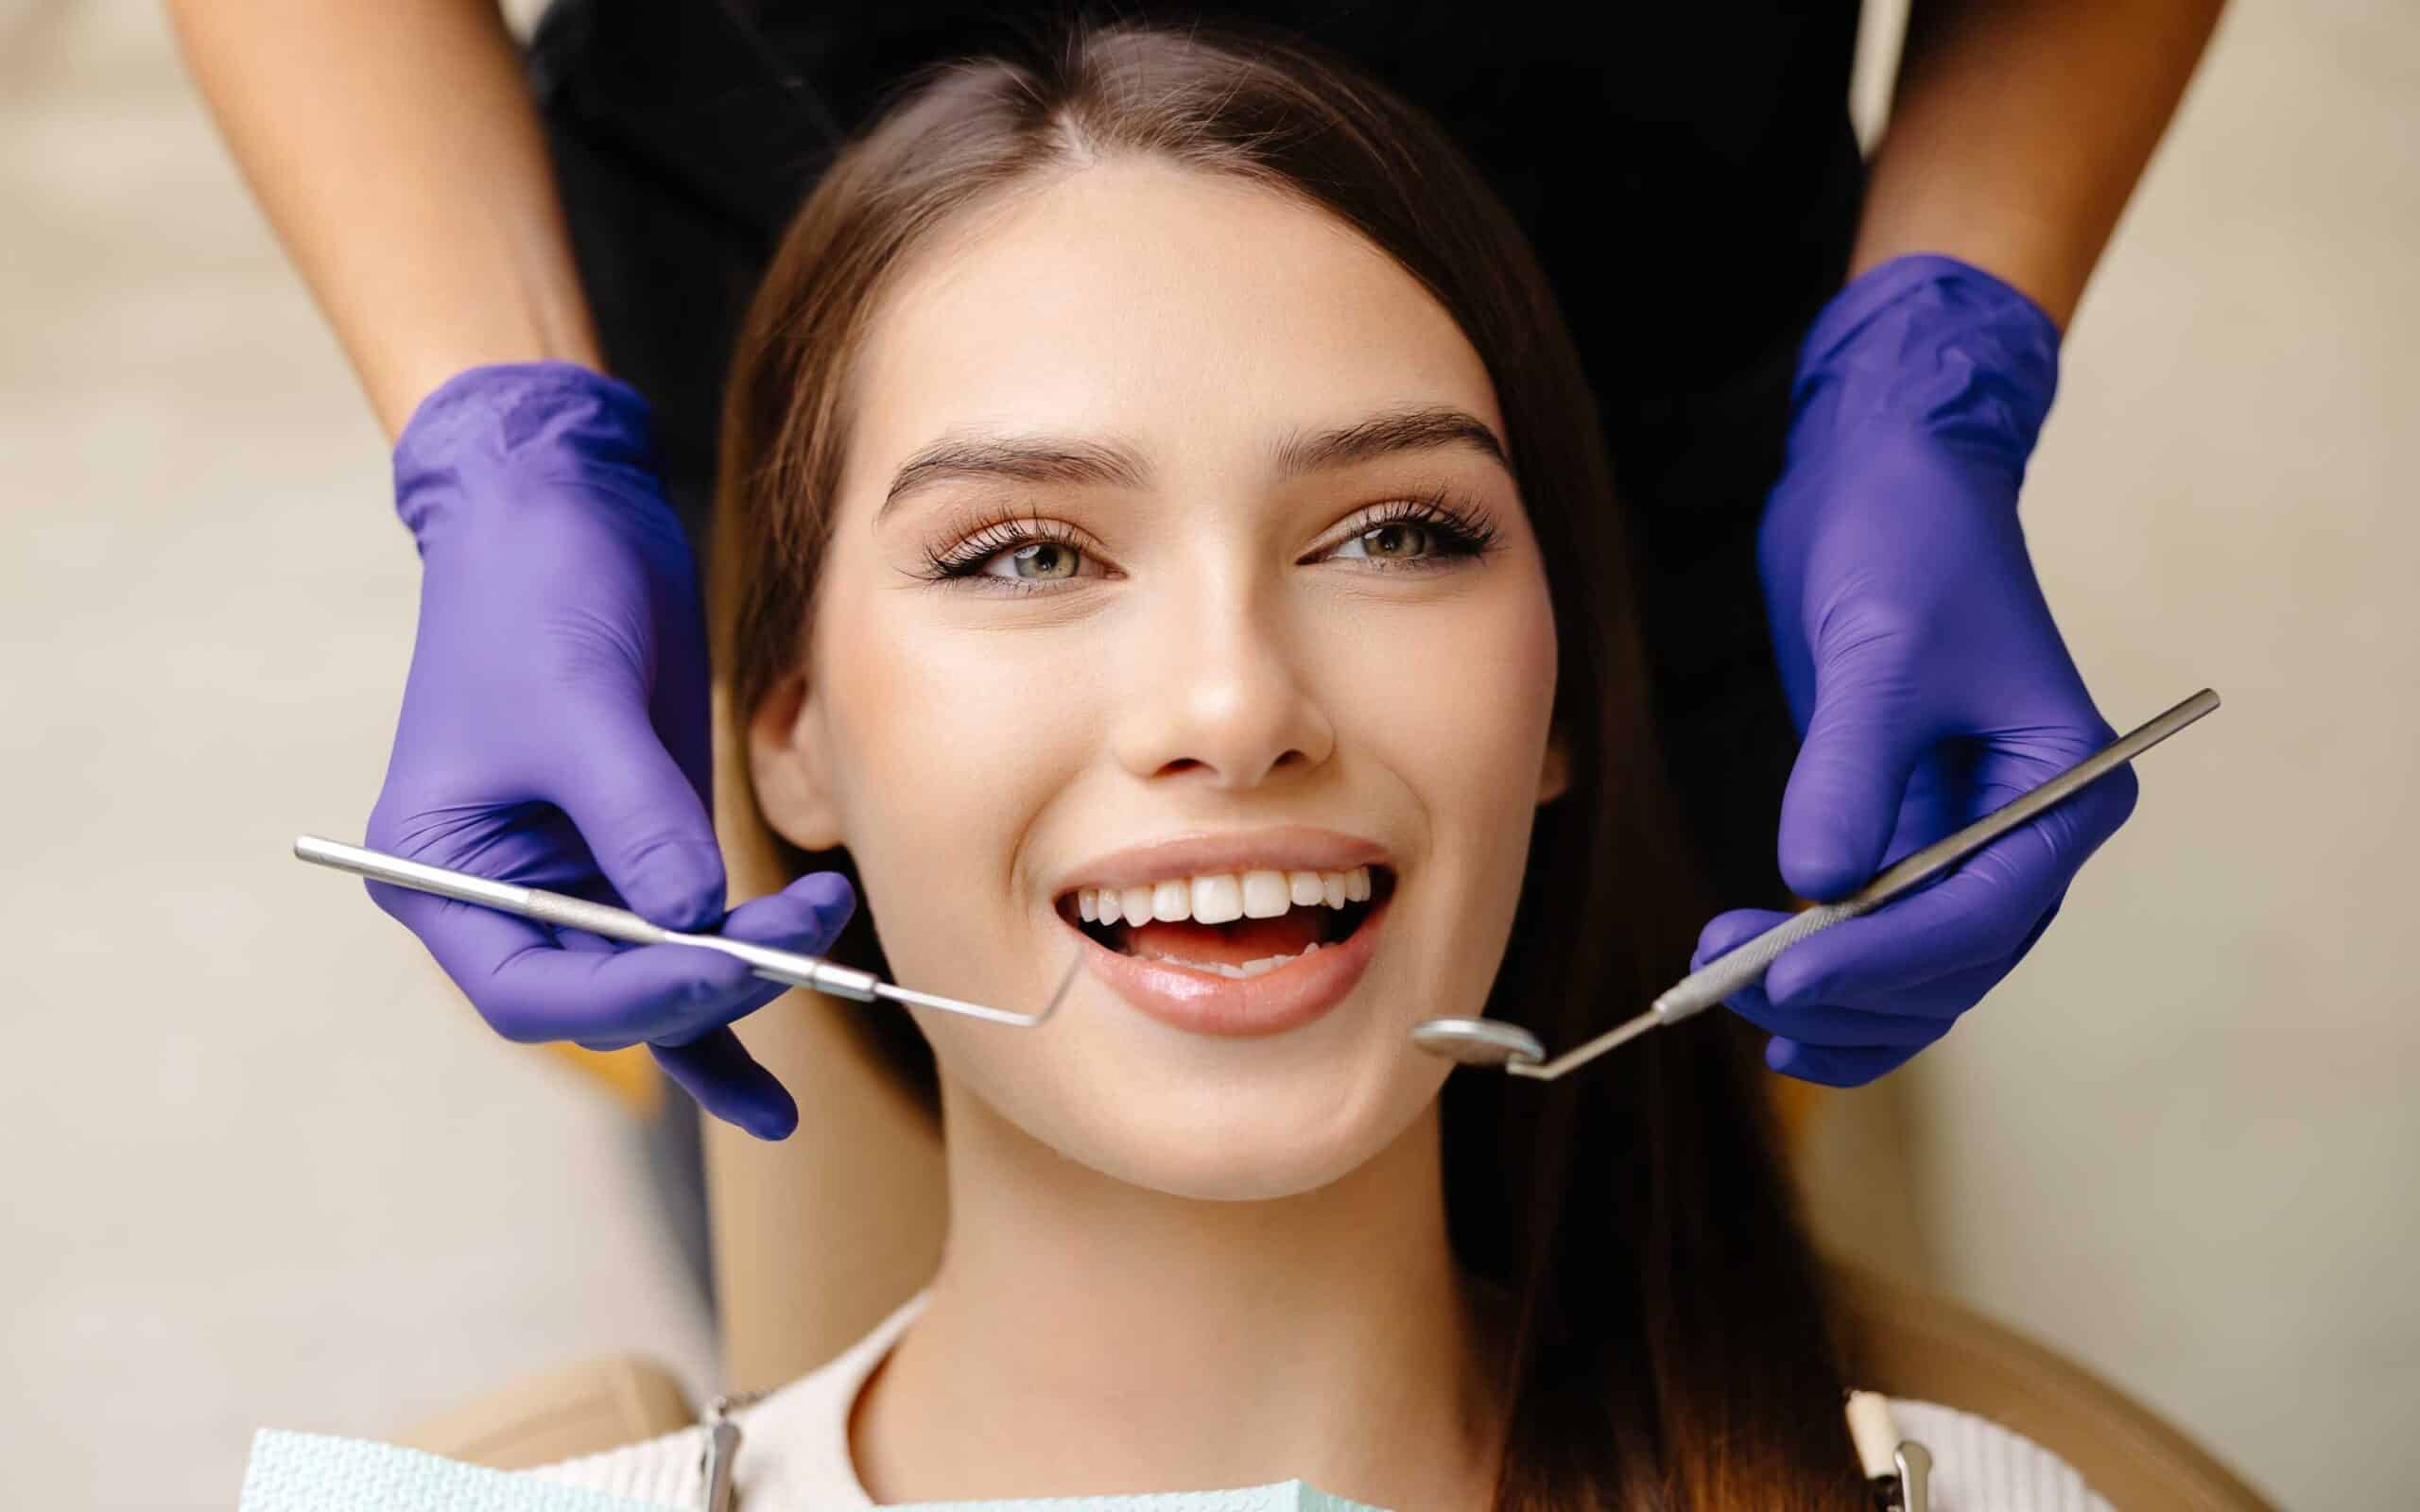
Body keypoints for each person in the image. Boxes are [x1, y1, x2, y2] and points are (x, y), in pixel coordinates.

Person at [166, 0, 2222, 1314]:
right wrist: (497, 439)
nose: (1232, 708)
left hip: (1666, 338)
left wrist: (1938, 356)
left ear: (1572, 691)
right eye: (1025, 551)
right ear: (780, 728)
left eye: (1399, 534)